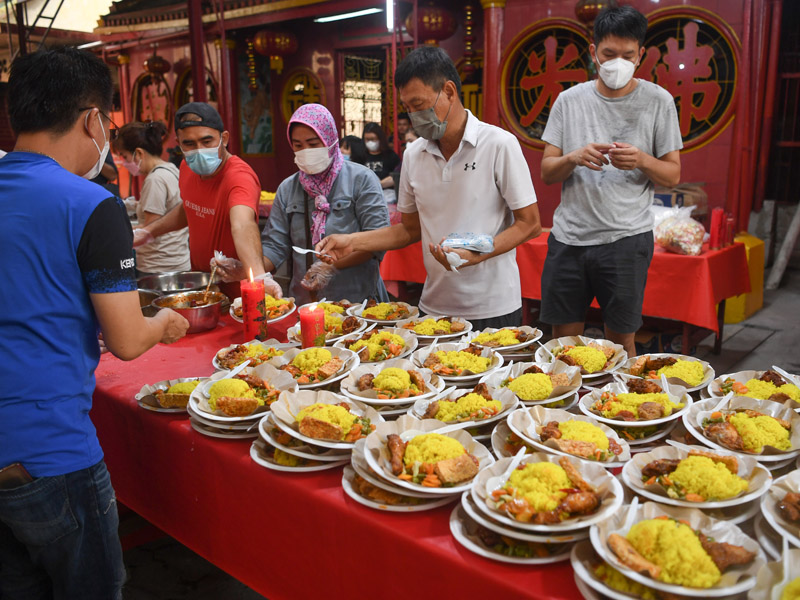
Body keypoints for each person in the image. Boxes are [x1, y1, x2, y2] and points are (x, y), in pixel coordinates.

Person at [0, 47, 189, 599]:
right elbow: (127, 339)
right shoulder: (90, 204)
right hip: (50, 451)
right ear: (92, 121)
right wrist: (164, 321)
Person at [317, 47, 541, 329]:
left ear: (449, 91)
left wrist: (477, 255)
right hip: (434, 307)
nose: (413, 115)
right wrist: (352, 241)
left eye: (419, 104)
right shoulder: (413, 154)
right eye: (408, 108)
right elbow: (409, 230)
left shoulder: (499, 144)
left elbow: (530, 223)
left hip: (493, 306)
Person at [539, 5, 682, 357]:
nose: (617, 62)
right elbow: (547, 172)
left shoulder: (658, 101)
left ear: (641, 55)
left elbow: (673, 175)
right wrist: (573, 158)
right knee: (563, 344)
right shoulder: (568, 101)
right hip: (569, 239)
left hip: (626, 241)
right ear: (593, 52)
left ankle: (620, 395)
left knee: (620, 343)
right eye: (608, 54)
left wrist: (642, 159)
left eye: (627, 55)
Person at [215, 104, 391, 305]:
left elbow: (378, 240)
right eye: (298, 145)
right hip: (305, 303)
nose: (306, 151)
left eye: (313, 143)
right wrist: (249, 268)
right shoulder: (288, 189)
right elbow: (275, 246)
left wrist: (333, 266)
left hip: (358, 303)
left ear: (330, 139)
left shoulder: (362, 180)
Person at [133, 102, 265, 297]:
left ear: (224, 138)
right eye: (189, 144)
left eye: (207, 141)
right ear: (179, 143)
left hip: (240, 293)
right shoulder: (187, 168)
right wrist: (149, 232)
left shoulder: (239, 177)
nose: (199, 150)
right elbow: (189, 207)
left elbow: (242, 224)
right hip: (203, 286)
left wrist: (260, 278)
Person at [113, 121, 190, 275]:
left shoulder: (155, 180)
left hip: (158, 266)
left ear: (139, 153)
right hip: (177, 261)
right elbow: (167, 209)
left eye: (125, 157)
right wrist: (134, 206)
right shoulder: (171, 169)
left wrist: (114, 233)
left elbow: (150, 228)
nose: (125, 163)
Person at [363, 122, 400, 203]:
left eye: (373, 139)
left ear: (380, 139)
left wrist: (377, 184)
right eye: (367, 139)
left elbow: (396, 177)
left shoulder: (391, 156)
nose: (370, 142)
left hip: (387, 197)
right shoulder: (361, 156)